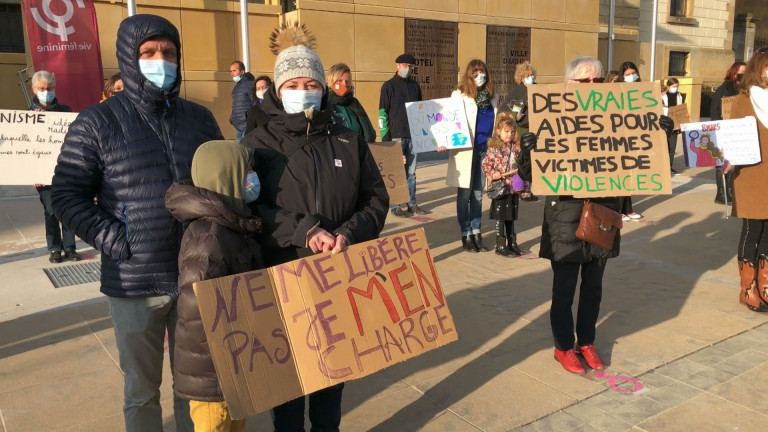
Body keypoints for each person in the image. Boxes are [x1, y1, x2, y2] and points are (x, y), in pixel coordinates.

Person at [51, 14, 223, 432]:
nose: (159, 60)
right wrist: (116, 240)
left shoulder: (200, 119)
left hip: (195, 277)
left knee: (195, 389)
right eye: (148, 53)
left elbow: (222, 184)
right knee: (142, 390)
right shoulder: (97, 122)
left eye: (168, 52)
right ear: (129, 59)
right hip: (135, 281)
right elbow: (66, 194)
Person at [243, 22, 388, 432]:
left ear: (323, 87)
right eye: (293, 83)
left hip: (338, 277)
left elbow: (376, 198)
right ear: (277, 88)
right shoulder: (256, 144)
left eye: (311, 82)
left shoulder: (347, 139)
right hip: (282, 276)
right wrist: (304, 230)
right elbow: (247, 212)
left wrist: (350, 233)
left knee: (332, 380)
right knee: (289, 384)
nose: (303, 89)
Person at [518, 56, 621, 374]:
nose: (592, 87)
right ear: (568, 85)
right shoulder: (546, 118)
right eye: (584, 81)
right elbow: (528, 176)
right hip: (566, 214)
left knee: (594, 287)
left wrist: (660, 134)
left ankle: (586, 342)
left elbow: (639, 157)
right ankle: (563, 347)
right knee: (564, 290)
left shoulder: (615, 116)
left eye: (597, 81)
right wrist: (527, 151)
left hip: (603, 211)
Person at [165, 140, 264, 432]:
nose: (253, 181)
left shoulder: (232, 226)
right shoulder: (210, 238)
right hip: (213, 372)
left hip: (231, 365)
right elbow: (200, 311)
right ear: (227, 176)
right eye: (247, 173)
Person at [725, 48, 768, 312]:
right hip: (751, 174)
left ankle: (765, 283)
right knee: (753, 229)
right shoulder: (743, 99)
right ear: (758, 68)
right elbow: (731, 138)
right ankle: (747, 287)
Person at [441, 59, 498, 252]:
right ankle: (465, 233)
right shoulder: (459, 95)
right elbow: (448, 122)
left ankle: (476, 231)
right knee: (464, 194)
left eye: (482, 72)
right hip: (465, 150)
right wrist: (443, 140)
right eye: (475, 73)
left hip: (484, 149)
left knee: (478, 195)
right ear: (469, 75)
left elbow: (497, 124)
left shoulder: (493, 97)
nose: (479, 76)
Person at [29, 70, 78, 263]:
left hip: (65, 171)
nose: (46, 92)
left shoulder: (65, 112)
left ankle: (70, 247)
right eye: (41, 88)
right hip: (43, 175)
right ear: (34, 89)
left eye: (49, 88)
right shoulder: (26, 116)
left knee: (67, 209)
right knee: (50, 211)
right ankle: (54, 249)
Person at [379, 53, 429, 217]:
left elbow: (420, 110)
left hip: (413, 135)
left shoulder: (415, 86)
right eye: (404, 65)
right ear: (397, 66)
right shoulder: (388, 86)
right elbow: (382, 112)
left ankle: (412, 203)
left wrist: (423, 135)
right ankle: (394, 205)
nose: (407, 68)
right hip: (396, 136)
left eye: (410, 66)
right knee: (396, 172)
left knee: (411, 173)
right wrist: (386, 139)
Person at [481, 113, 527, 256]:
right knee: (501, 217)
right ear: (498, 132)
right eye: (506, 132)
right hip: (500, 189)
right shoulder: (494, 148)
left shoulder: (516, 148)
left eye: (512, 132)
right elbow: (485, 165)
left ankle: (512, 242)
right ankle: (500, 245)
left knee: (511, 216)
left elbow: (521, 165)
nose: (509, 135)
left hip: (513, 189)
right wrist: (493, 173)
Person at [711, 61, 746, 204]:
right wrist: (718, 129)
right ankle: (722, 193)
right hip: (724, 131)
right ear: (733, 73)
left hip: (739, 131)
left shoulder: (746, 89)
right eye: (740, 73)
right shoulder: (723, 89)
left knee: (735, 162)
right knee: (722, 163)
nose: (743, 76)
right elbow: (715, 111)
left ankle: (730, 191)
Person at [503, 61, 538, 202]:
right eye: (527, 76)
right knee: (520, 161)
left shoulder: (538, 88)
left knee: (533, 162)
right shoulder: (516, 92)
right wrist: (515, 116)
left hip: (534, 130)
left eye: (532, 75)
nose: (531, 78)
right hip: (520, 130)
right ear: (521, 77)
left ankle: (531, 189)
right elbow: (507, 110)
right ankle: (520, 189)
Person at [617, 61, 644, 221]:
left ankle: (628, 209)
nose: (631, 77)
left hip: (635, 140)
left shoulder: (642, 91)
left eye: (633, 73)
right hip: (620, 140)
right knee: (621, 175)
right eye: (627, 75)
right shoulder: (618, 91)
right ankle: (619, 210)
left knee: (630, 175)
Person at [327, 63, 376, 143]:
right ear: (331, 81)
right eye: (340, 80)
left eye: (347, 81)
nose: (344, 84)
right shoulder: (325, 104)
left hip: (356, 151)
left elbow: (369, 133)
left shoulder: (354, 103)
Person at [662, 77, 686, 175]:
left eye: (677, 86)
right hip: (664, 125)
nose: (675, 88)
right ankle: (663, 166)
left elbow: (681, 109)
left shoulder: (680, 96)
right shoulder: (662, 96)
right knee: (664, 147)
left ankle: (669, 166)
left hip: (675, 126)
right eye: (673, 86)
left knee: (672, 148)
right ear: (668, 86)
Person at [230, 60, 256, 141]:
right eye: (231, 71)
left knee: (246, 148)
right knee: (239, 147)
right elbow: (236, 104)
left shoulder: (250, 84)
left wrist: (252, 120)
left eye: (234, 70)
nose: (232, 74)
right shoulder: (238, 86)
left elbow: (255, 102)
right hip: (239, 123)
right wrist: (232, 118)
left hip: (247, 124)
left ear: (242, 71)